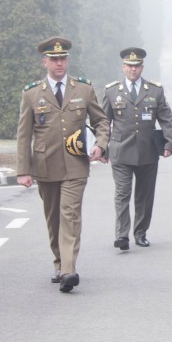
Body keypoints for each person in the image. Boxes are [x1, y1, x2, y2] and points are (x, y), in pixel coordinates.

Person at [16, 36, 109, 293]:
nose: (59, 63)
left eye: (63, 59)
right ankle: (59, 262)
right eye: (54, 59)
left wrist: (100, 144)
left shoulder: (83, 89)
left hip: (76, 165)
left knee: (70, 214)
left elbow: (101, 121)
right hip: (45, 165)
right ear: (45, 62)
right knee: (53, 217)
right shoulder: (32, 93)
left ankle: (68, 269)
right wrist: (23, 170)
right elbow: (24, 135)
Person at [102, 47, 172, 251]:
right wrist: (102, 147)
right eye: (129, 66)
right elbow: (103, 122)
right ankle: (122, 235)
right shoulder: (112, 91)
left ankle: (140, 232)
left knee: (144, 195)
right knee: (122, 194)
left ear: (142, 67)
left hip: (147, 150)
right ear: (123, 67)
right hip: (120, 150)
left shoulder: (154, 90)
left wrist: (169, 143)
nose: (133, 69)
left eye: (136, 66)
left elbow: (166, 117)